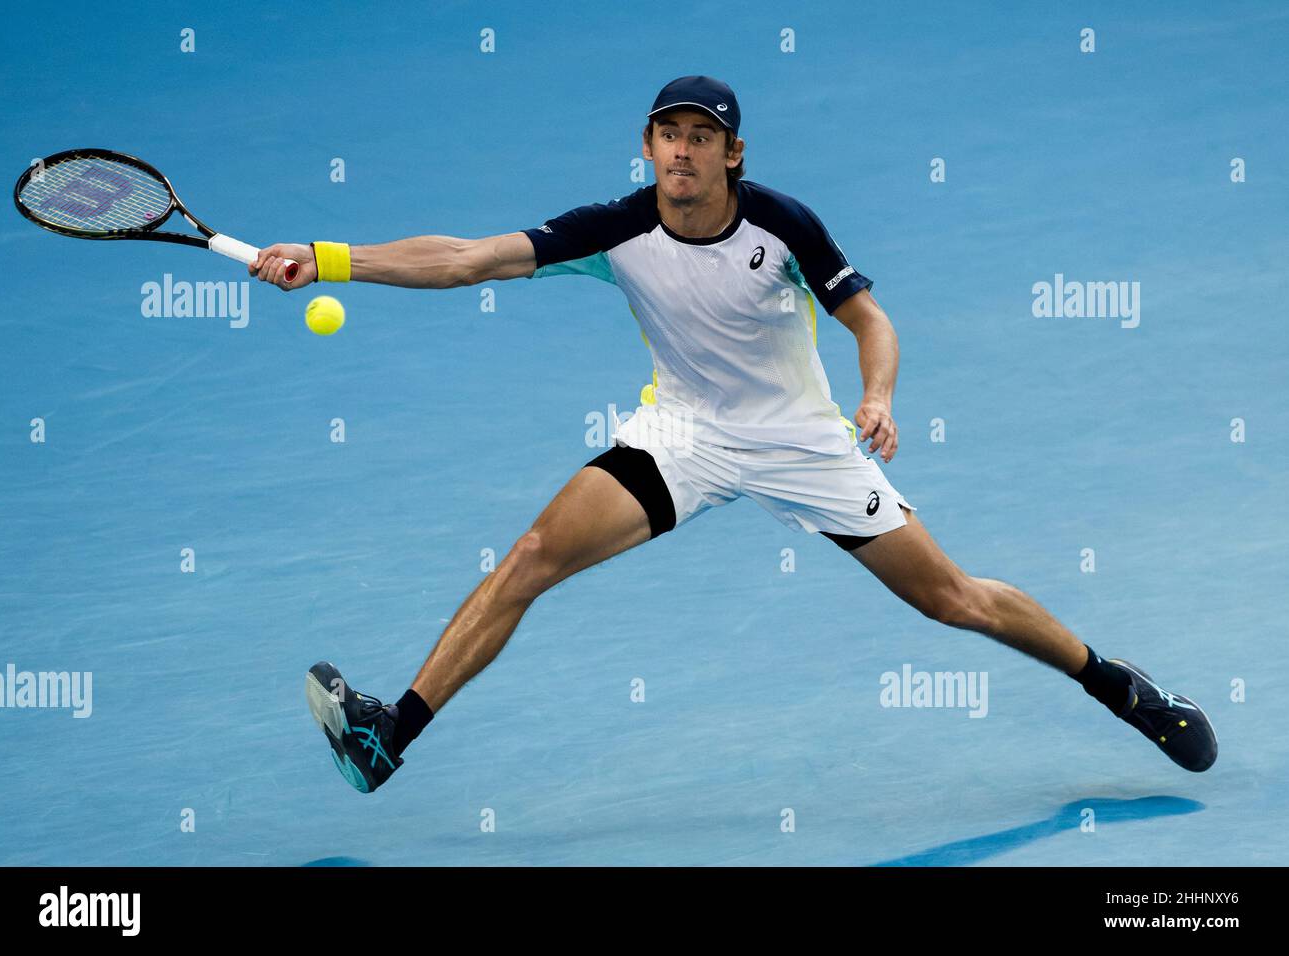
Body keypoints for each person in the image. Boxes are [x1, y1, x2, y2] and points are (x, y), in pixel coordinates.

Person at [251, 75, 1217, 794]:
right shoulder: (617, 228)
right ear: (648, 145)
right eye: (667, 135)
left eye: (701, 138)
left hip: (804, 442)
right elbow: (467, 258)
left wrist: (876, 398)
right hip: (684, 435)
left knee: (953, 600)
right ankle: (389, 739)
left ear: (732, 154)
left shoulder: (784, 226)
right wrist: (330, 258)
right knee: (534, 554)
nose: (682, 151)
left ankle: (1115, 684)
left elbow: (869, 321)